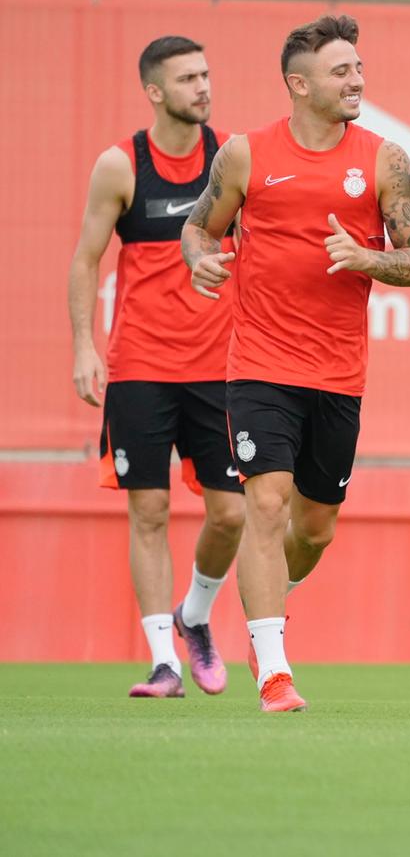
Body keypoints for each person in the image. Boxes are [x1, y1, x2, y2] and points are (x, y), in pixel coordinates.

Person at [180, 15, 410, 712]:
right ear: (299, 84)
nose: (357, 81)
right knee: (264, 504)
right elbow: (198, 226)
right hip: (259, 364)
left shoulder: (384, 160)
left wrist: (366, 258)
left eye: (358, 68)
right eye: (340, 71)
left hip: (338, 374)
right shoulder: (244, 154)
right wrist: (200, 259)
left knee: (314, 529)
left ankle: (266, 607)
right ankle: (273, 668)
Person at [67, 36, 246, 699]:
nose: (203, 87)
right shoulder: (121, 166)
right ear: (154, 91)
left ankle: (194, 615)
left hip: (219, 367)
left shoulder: (231, 160)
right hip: (141, 364)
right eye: (187, 78)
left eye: (205, 74)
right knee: (149, 509)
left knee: (230, 515)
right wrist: (84, 347)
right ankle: (164, 662)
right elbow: (85, 260)